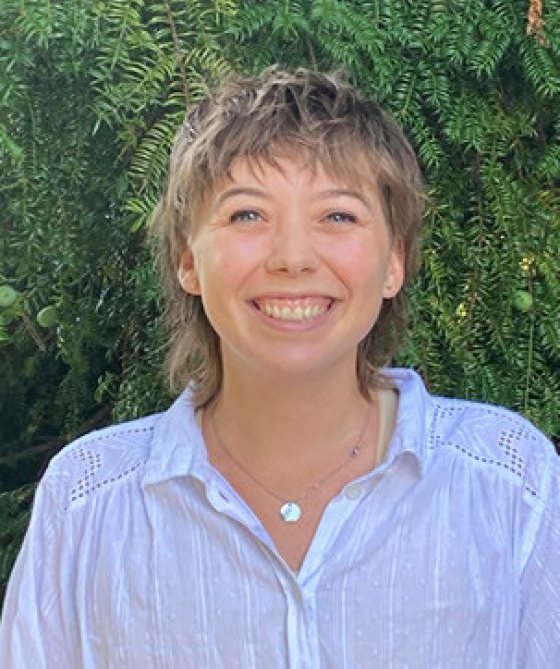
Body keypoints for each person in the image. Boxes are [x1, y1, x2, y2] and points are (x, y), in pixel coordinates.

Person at [1, 66, 558, 668]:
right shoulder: (87, 502)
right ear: (189, 261)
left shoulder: (509, 482)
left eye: (338, 216)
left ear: (394, 262)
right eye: (247, 216)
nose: (293, 257)